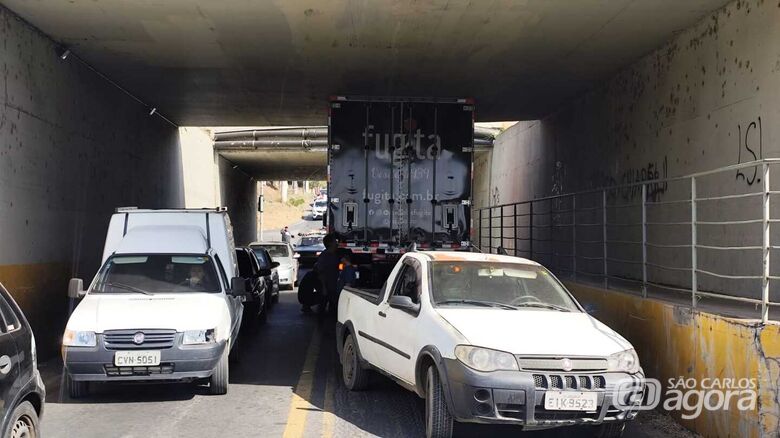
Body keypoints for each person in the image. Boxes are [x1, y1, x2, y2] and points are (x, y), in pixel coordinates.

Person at [299, 233, 340, 313]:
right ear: (330, 243)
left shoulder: (334, 254)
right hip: (327, 285)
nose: (336, 243)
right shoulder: (325, 256)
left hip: (332, 285)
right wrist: (324, 287)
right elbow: (321, 272)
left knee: (332, 304)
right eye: (335, 241)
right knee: (323, 303)